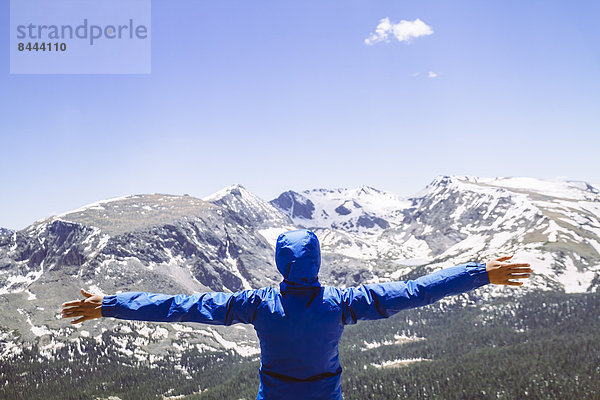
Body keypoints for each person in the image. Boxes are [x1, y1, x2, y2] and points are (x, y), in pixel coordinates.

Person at [61, 229, 532, 400]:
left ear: (280, 266)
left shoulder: (256, 305)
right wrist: (479, 273)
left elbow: (179, 306)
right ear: (318, 263)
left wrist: (109, 304)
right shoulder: (343, 303)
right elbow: (413, 291)